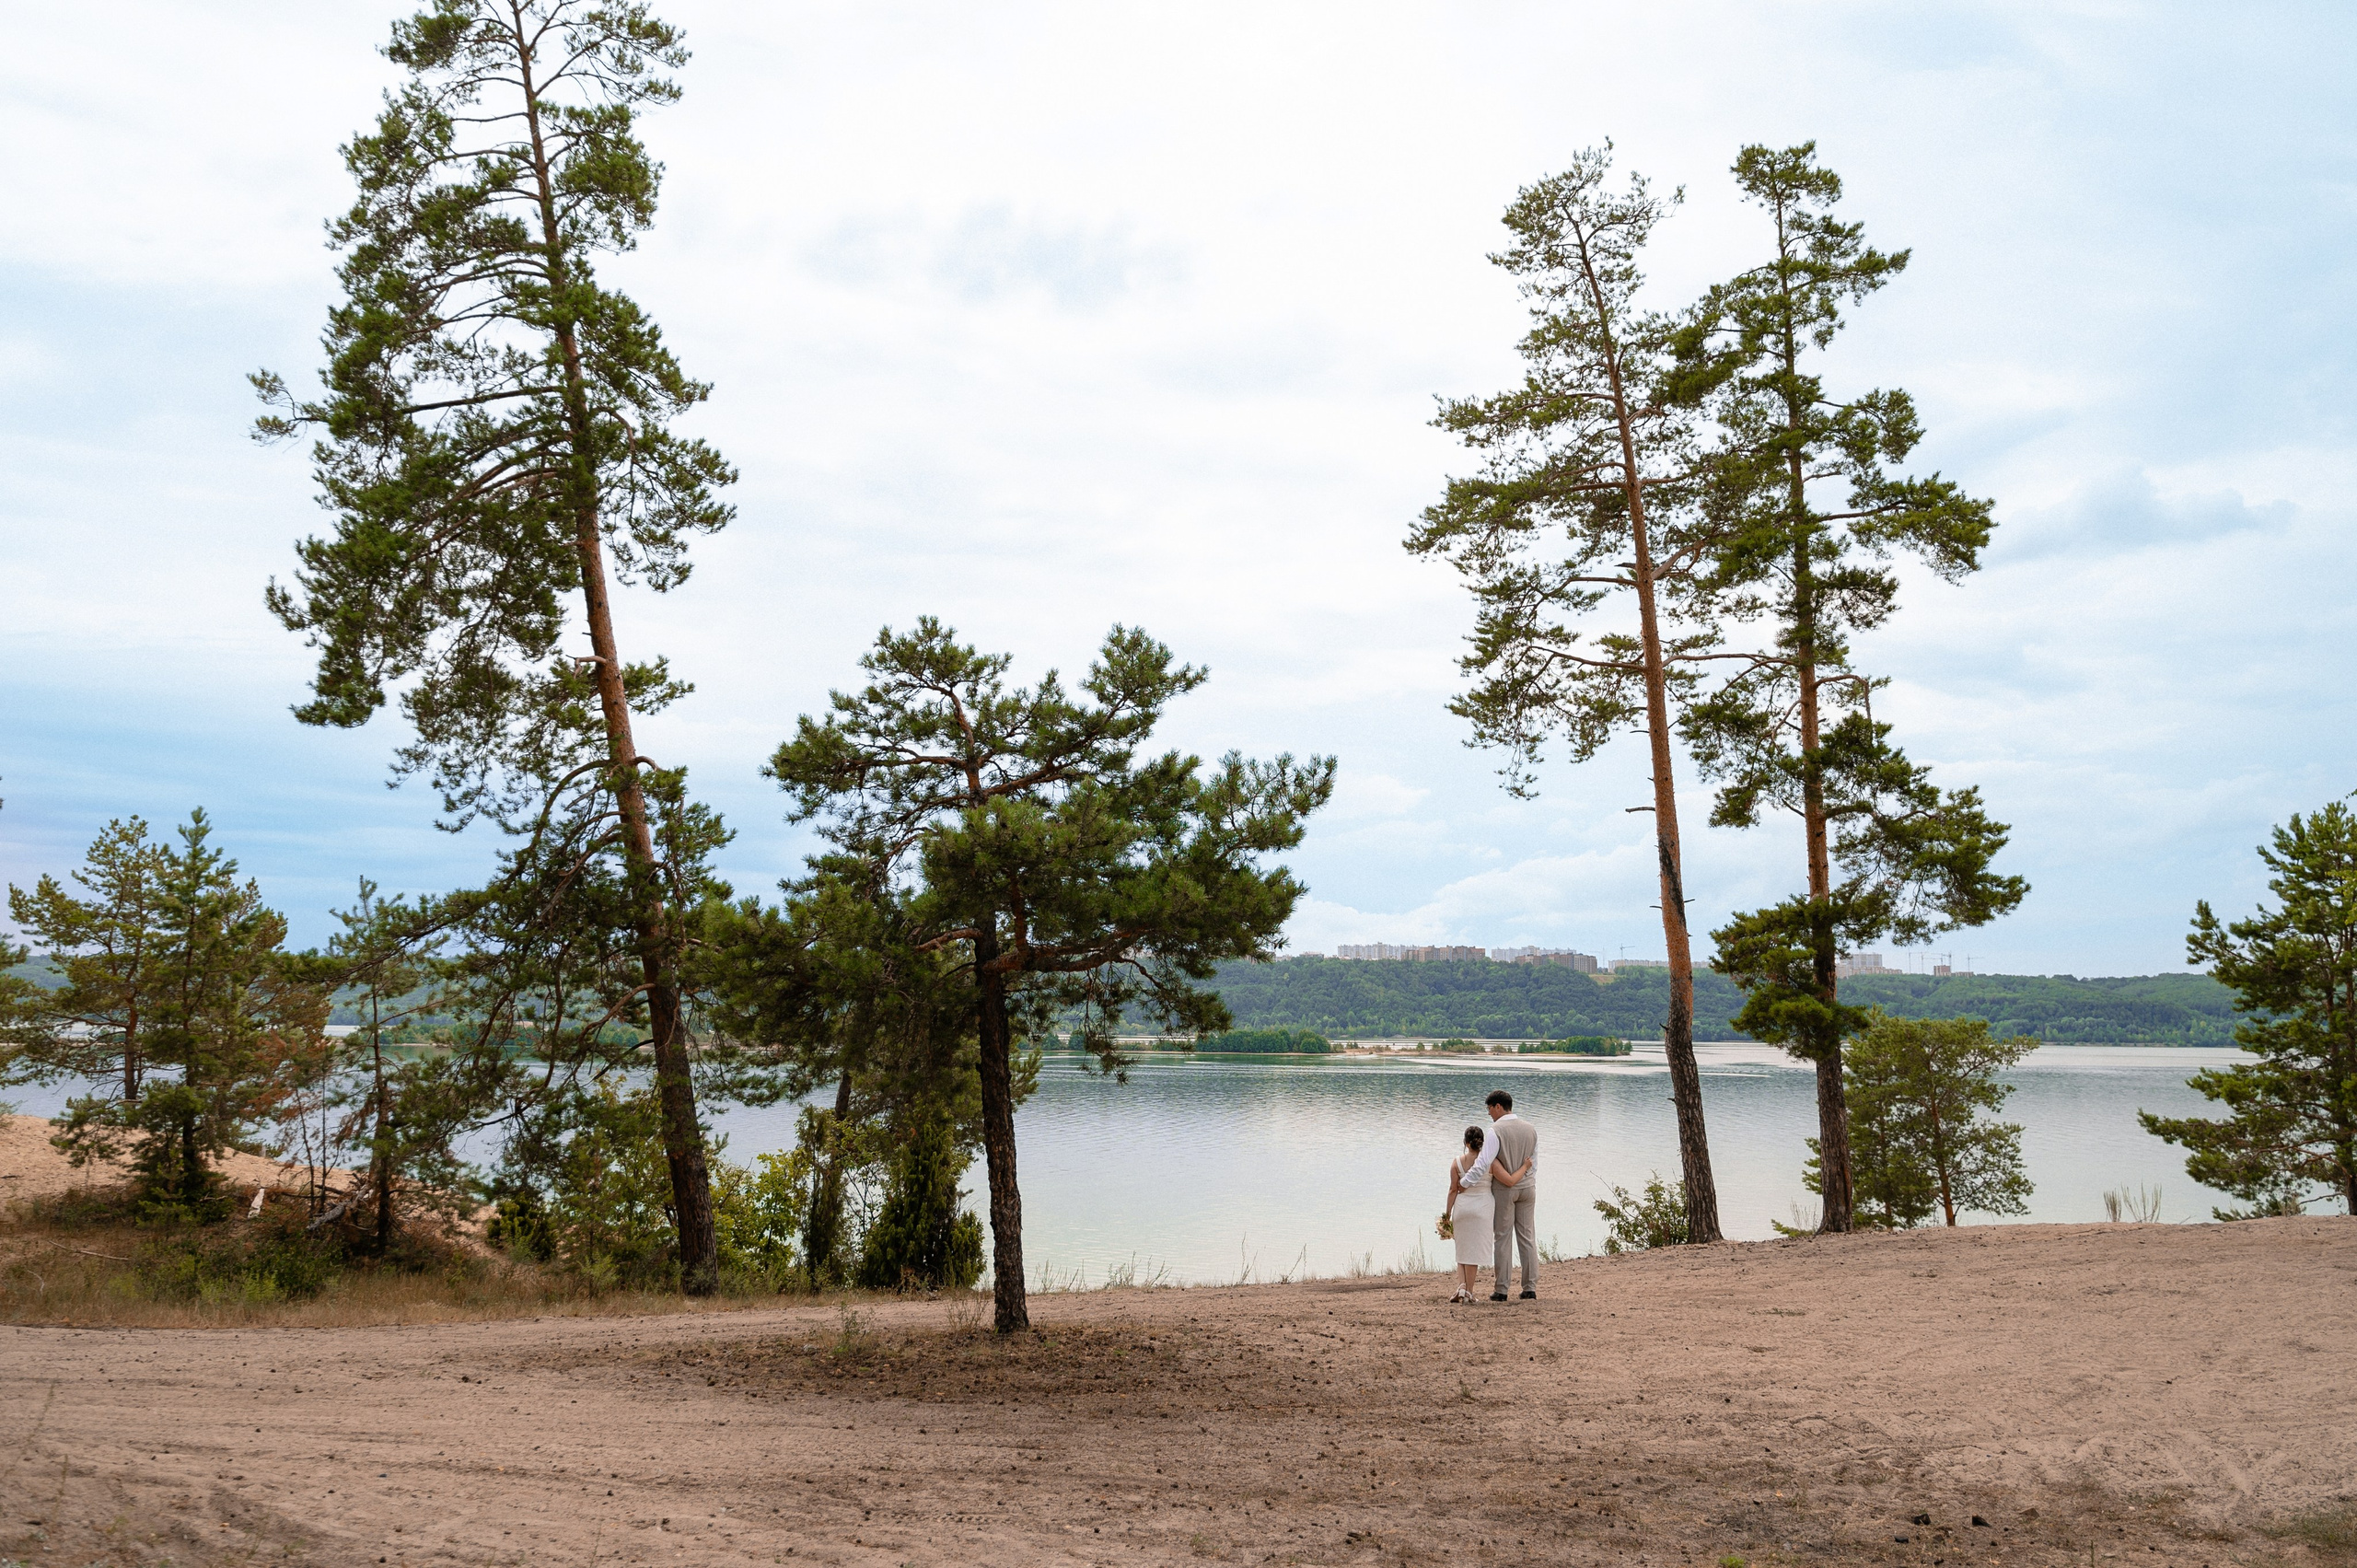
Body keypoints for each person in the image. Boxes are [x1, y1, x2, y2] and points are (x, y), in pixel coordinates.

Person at [1464, 1088, 1539, 1300]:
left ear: (1498, 1106)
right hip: (1528, 1187)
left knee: (1503, 1237)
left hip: (1505, 1190)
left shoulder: (1495, 1131)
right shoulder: (1530, 1129)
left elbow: (1482, 1163)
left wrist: (1464, 1182)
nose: (1488, 1113)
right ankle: (1530, 1287)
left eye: (1489, 1108)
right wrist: (1525, 1179)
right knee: (1527, 1236)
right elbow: (1534, 1163)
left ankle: (1502, 1289)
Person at [1443, 1123, 1528, 1304]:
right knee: (1472, 1251)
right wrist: (1526, 1166)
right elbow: (1510, 1180)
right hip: (1482, 1209)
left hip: (1463, 1207)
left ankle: (1462, 1287)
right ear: (1482, 1143)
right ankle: (1469, 1292)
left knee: (1462, 1248)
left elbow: (1452, 1190)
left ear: (1466, 1143)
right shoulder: (1490, 1162)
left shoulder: (1457, 1162)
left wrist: (1447, 1214)